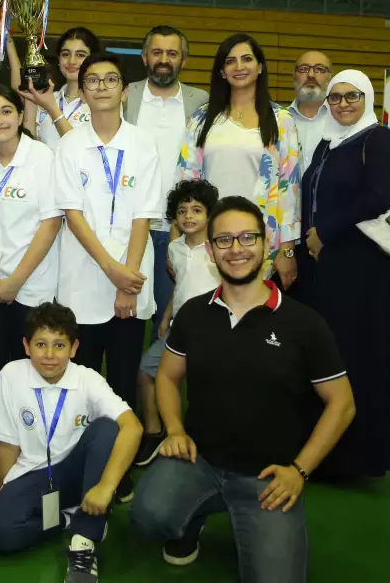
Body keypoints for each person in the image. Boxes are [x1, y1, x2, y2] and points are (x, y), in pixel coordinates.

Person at [130, 197, 355, 582]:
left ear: (265, 244)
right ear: (211, 251)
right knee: (149, 513)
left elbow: (342, 404)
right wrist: (176, 430)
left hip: (267, 478)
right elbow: (166, 376)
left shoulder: (303, 323)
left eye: (247, 237)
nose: (236, 249)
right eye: (224, 240)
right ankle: (192, 517)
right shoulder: (195, 314)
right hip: (199, 461)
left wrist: (299, 471)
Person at [0, 303, 142, 583]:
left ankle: (85, 539)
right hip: (33, 473)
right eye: (40, 344)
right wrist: (0, 497)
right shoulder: (11, 375)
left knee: (107, 428)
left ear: (74, 348)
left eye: (59, 345)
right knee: (0, 532)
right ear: (26, 346)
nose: (49, 354)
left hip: (76, 473)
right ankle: (70, 518)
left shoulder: (88, 380)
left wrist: (107, 486)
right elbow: (7, 444)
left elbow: (134, 427)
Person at [297, 70, 390, 477]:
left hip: (363, 269)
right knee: (326, 357)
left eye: (352, 96)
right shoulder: (328, 142)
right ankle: (322, 452)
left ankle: (354, 459)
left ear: (368, 98)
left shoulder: (378, 138)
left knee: (357, 359)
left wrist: (324, 231)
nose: (343, 104)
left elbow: (379, 196)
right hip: (325, 267)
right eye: (336, 97)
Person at [54, 52, 161, 425]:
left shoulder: (143, 143)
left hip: (131, 281)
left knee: (122, 382)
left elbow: (143, 215)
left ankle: (121, 455)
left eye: (111, 79)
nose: (102, 87)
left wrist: (126, 282)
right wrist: (111, 270)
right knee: (80, 383)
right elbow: (73, 215)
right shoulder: (69, 145)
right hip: (83, 280)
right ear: (82, 91)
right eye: (93, 80)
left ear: (125, 91)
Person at [179, 33, 301, 290]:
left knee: (251, 309)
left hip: (260, 239)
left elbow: (289, 188)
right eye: (230, 61)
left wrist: (287, 249)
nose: (239, 66)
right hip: (208, 237)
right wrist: (179, 237)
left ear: (260, 67)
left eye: (247, 59)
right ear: (222, 72)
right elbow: (186, 181)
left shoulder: (281, 120)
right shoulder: (202, 119)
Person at [0, 84, 62, 395]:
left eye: (6, 111)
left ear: (20, 116)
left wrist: (15, 282)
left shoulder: (42, 157)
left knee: (28, 373)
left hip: (30, 288)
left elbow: (51, 224)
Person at [124, 25, 208, 343]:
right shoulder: (124, 95)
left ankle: (158, 376)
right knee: (126, 317)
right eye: (157, 52)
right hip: (129, 228)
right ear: (144, 57)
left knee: (168, 324)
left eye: (172, 53)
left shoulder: (201, 101)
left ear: (183, 60)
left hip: (177, 229)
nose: (164, 59)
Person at [134, 179, 221, 468]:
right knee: (147, 370)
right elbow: (179, 284)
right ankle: (154, 432)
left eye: (196, 210)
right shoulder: (174, 248)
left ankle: (206, 440)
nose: (188, 217)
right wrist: (167, 316)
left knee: (207, 386)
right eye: (182, 211)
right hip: (179, 329)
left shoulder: (218, 248)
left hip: (212, 331)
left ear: (209, 214)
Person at [21, 27, 100, 149]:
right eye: (65, 54)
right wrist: (30, 106)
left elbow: (81, 149)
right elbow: (29, 146)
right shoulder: (48, 98)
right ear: (58, 59)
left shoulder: (102, 100)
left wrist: (52, 108)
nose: (72, 61)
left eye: (80, 55)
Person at [286, 51, 332, 176]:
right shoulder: (277, 121)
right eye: (304, 69)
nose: (311, 75)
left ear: (330, 77)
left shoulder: (341, 122)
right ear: (294, 76)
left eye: (319, 69)